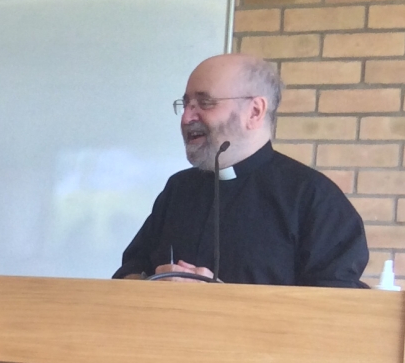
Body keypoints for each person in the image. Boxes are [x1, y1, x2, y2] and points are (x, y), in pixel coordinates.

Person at [114, 53, 369, 286]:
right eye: (186, 104)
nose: (187, 118)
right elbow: (129, 272)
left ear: (255, 112)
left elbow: (334, 306)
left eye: (205, 103)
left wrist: (224, 301)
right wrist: (153, 283)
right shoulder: (179, 188)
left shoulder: (314, 198)